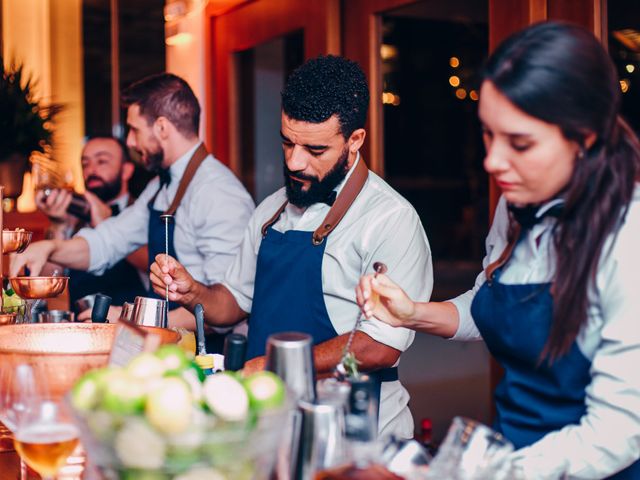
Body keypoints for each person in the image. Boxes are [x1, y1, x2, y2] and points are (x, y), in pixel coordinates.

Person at [357, 22, 640, 479]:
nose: (492, 161)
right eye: (489, 134)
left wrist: (483, 472)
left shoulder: (628, 237)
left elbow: (615, 433)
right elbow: (493, 309)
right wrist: (411, 313)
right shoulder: (517, 204)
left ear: (584, 137)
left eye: (520, 143)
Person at [149, 55, 433, 438]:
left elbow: (378, 346)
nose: (295, 162)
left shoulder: (390, 219)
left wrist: (276, 364)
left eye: (315, 151)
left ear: (355, 141)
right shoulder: (271, 209)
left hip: (353, 429)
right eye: (287, 143)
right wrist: (193, 291)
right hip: (267, 422)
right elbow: (232, 302)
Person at [11, 73, 255, 336]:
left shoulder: (219, 193)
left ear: (162, 128)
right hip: (165, 345)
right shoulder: (159, 187)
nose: (129, 141)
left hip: (207, 355)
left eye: (135, 129)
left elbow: (224, 307)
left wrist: (133, 318)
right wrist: (49, 247)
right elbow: (108, 241)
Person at [36, 136, 149, 310]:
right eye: (85, 164)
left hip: (133, 329)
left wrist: (104, 224)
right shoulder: (74, 218)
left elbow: (152, 264)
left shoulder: (143, 212)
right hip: (81, 327)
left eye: (102, 161)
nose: (92, 170)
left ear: (126, 170)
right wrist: (59, 226)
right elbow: (45, 286)